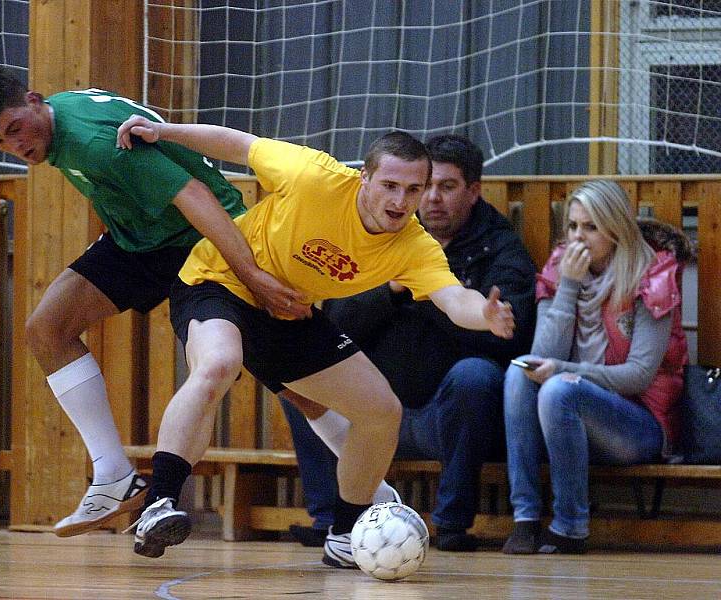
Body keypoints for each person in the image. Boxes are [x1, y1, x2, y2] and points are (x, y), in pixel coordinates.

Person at [114, 115, 516, 563]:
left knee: (381, 410)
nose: (400, 200)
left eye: (413, 190)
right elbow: (237, 143)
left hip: (288, 311)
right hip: (220, 282)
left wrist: (484, 313)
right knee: (218, 364)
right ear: (364, 178)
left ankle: (344, 536)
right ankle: (159, 503)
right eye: (389, 185)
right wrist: (163, 131)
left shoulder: (415, 246)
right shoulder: (315, 177)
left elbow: (452, 297)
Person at [0, 67, 307, 537]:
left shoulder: (91, 143)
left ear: (34, 100)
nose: (14, 146)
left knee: (293, 379)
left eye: (15, 129)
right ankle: (113, 474)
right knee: (47, 329)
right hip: (140, 241)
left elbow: (193, 192)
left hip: (204, 239)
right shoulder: (61, 116)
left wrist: (252, 274)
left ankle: (372, 497)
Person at [281, 134, 537, 551]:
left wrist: (427, 292)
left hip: (446, 416)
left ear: (474, 192)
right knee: (302, 376)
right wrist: (391, 290)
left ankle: (451, 524)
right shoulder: (375, 235)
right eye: (424, 187)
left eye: (447, 187)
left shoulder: (501, 249)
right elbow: (335, 326)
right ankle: (332, 520)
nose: (431, 199)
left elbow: (508, 342)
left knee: (476, 376)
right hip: (373, 414)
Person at [501, 180, 689, 554]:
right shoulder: (562, 267)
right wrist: (568, 287)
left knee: (560, 387)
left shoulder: (652, 276)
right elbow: (541, 356)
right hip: (565, 418)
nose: (577, 238)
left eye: (590, 227)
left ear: (616, 229)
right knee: (517, 374)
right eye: (572, 226)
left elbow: (639, 375)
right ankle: (524, 519)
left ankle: (570, 526)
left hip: (637, 424)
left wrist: (566, 372)